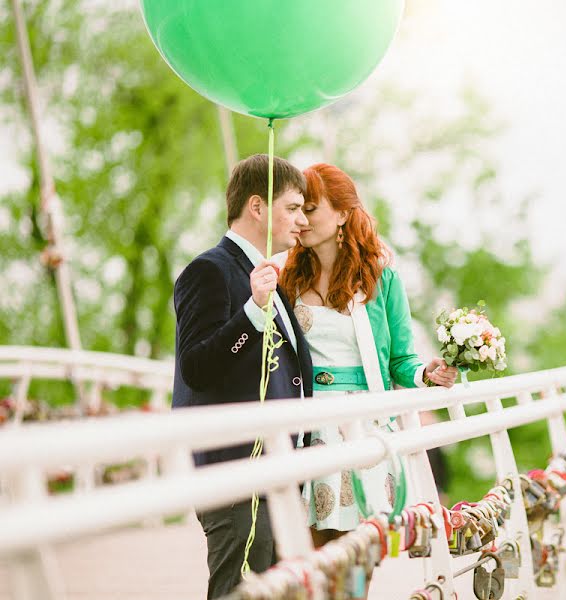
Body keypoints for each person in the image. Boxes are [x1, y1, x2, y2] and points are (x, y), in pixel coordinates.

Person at [279, 163, 457, 544]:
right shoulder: (287, 277)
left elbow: (400, 360)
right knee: (319, 549)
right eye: (297, 211)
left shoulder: (381, 277)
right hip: (309, 420)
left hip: (364, 418)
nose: (302, 220)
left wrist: (426, 374)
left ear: (342, 213)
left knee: (360, 550)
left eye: (310, 209)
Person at [172, 154, 314, 599]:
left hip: (279, 473)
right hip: (236, 474)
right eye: (292, 208)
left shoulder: (273, 281)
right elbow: (197, 366)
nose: (302, 221)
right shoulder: (209, 270)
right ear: (257, 207)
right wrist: (252, 312)